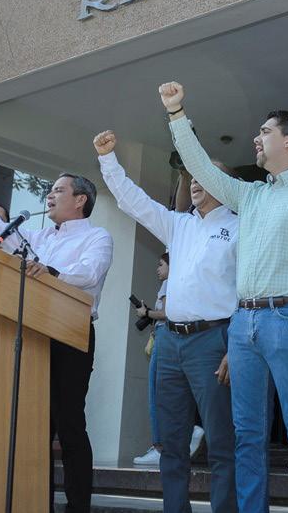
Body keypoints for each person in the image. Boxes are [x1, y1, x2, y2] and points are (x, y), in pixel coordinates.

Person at [159, 81, 288, 513]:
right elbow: (200, 167)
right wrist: (177, 115)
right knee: (246, 434)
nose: (256, 139)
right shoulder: (251, 195)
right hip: (243, 325)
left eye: (265, 132)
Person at [96, 130, 238, 512]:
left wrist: (236, 346)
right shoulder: (179, 225)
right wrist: (108, 160)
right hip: (170, 343)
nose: (195, 183)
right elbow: (134, 202)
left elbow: (248, 291)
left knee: (222, 443)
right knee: (171, 446)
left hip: (214, 342)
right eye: (193, 177)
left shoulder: (240, 228)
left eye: (206, 175)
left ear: (225, 186)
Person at [0, 158, 113, 513]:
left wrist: (50, 271)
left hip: (71, 334)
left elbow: (89, 273)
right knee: (34, 425)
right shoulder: (37, 236)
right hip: (31, 332)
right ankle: (35, 504)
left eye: (58, 190)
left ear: (80, 200)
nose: (50, 195)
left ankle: (78, 507)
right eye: (50, 190)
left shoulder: (97, 236)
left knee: (69, 422)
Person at [134, 254, 170, 467]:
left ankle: (159, 447)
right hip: (167, 335)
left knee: (156, 391)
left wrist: (146, 312)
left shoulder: (168, 283)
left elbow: (166, 313)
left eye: (161, 264)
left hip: (164, 335)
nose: (158, 269)